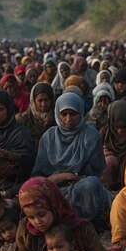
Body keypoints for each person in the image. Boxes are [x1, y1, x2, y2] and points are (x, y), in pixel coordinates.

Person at [33, 92, 111, 224]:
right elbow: (38, 175)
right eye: (64, 114)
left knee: (91, 184)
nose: (68, 118)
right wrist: (61, 177)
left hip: (82, 186)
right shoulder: (49, 137)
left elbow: (96, 171)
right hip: (54, 185)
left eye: (73, 114)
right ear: (58, 114)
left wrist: (77, 177)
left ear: (81, 113)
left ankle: (84, 222)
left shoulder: (90, 135)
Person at [15, 82, 56, 148]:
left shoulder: (58, 117)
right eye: (40, 101)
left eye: (46, 100)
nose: (43, 104)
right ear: (33, 101)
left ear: (51, 100)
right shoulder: (24, 119)